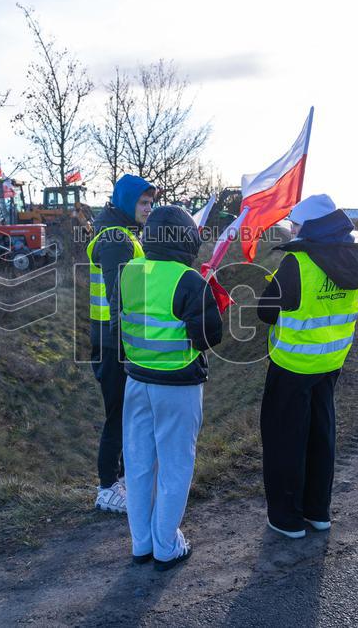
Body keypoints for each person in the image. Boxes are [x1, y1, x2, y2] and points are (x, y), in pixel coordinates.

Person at [255, 194, 358, 538]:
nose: (291, 230)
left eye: (295, 224)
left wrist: (270, 285)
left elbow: (265, 312)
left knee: (284, 440)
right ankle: (318, 511)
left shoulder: (297, 264)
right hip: (331, 361)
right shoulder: (353, 259)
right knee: (321, 434)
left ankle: (287, 519)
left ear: (309, 227)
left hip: (292, 365)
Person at [117, 205, 223, 571]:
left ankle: (141, 543)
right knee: (176, 466)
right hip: (177, 385)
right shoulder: (189, 280)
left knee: (138, 464)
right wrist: (214, 303)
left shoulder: (128, 272)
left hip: (136, 381)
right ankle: (167, 546)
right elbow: (208, 337)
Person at [87, 174, 156, 514]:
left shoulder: (122, 233)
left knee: (129, 414)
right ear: (129, 203)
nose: (149, 208)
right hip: (114, 343)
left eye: (151, 202)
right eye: (143, 202)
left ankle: (125, 479)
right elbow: (118, 298)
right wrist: (128, 347)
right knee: (119, 414)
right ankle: (107, 488)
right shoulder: (116, 238)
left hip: (112, 340)